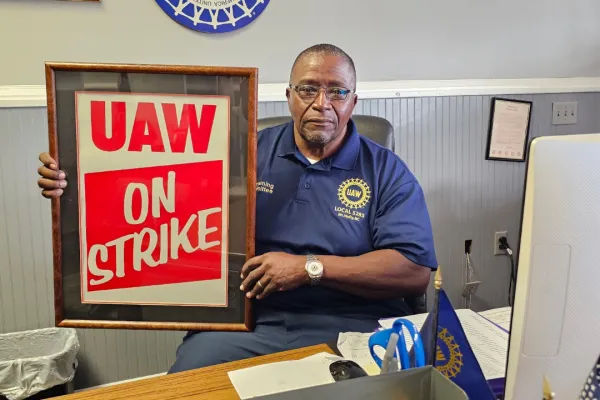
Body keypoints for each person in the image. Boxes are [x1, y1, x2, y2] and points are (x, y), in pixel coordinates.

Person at [36, 44, 438, 373]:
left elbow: (414, 272)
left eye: (337, 91)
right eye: (308, 89)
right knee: (189, 382)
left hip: (353, 322)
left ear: (353, 100)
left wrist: (308, 268)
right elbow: (156, 198)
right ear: (288, 96)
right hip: (247, 320)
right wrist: (75, 188)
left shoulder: (385, 169)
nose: (322, 103)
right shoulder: (242, 152)